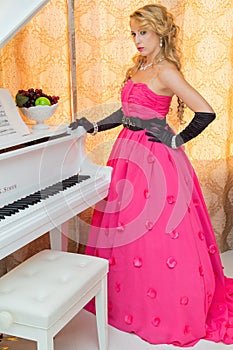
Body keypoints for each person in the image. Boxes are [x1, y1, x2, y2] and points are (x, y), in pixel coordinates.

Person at [69, 4, 233, 347]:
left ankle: (164, 307)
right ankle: (126, 301)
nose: (137, 40)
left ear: (160, 32)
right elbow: (127, 111)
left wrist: (176, 139)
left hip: (156, 160)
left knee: (157, 234)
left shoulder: (166, 71)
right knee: (123, 226)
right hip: (127, 154)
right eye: (133, 33)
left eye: (143, 32)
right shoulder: (139, 67)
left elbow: (206, 111)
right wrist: (94, 125)